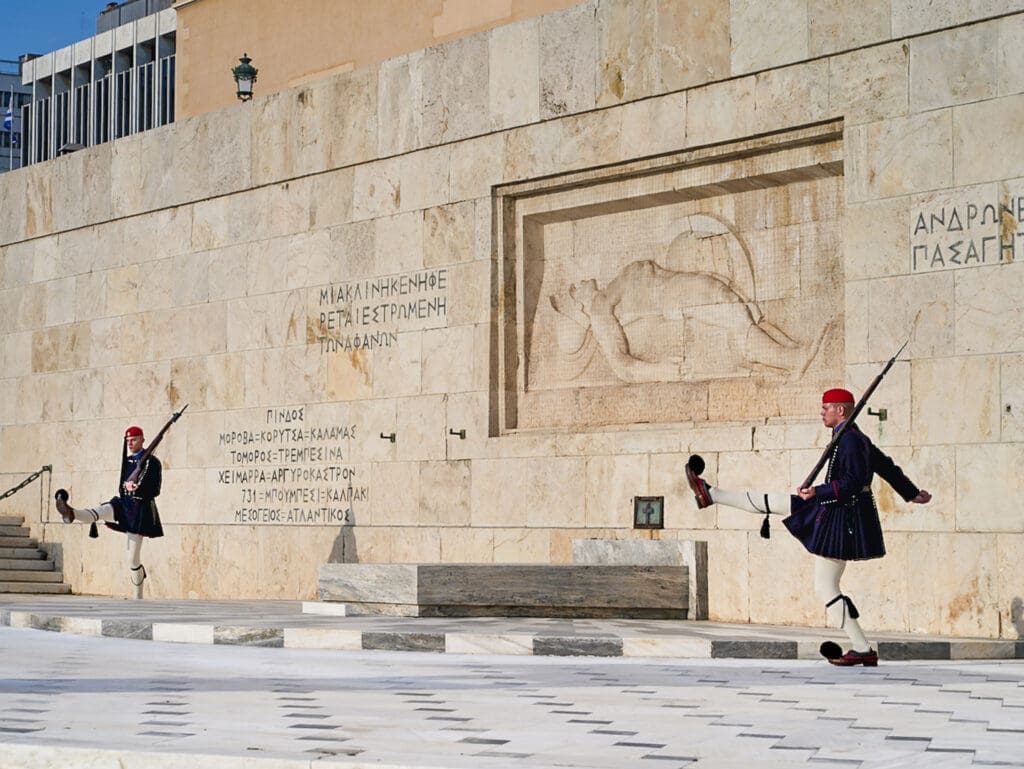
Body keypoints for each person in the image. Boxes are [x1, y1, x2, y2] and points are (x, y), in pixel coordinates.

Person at [685, 388, 932, 666]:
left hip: (841, 518)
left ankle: (863, 648)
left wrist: (819, 492)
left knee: (826, 586)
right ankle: (711, 494)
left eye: (826, 407)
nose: (822, 412)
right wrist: (911, 493)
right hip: (837, 512)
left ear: (841, 410)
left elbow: (855, 480)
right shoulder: (850, 436)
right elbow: (885, 466)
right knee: (782, 505)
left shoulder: (850, 440)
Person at [55, 424, 164, 599]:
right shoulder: (127, 462)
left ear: (143, 439)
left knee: (132, 559)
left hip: (138, 510)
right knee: (101, 510)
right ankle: (71, 512)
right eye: (128, 440)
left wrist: (137, 488)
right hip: (123, 504)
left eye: (134, 440)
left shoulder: (152, 462)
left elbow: (155, 490)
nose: (130, 443)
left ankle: (138, 596)